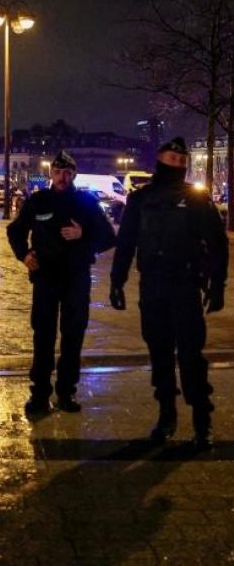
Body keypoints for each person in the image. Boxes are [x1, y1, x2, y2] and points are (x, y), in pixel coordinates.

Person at [109, 137, 228, 449]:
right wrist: (116, 280)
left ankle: (202, 422)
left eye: (181, 160)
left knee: (191, 358)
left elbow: (217, 244)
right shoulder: (140, 199)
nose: (177, 164)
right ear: (160, 159)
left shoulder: (197, 200)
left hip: (186, 285)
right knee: (159, 355)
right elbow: (126, 243)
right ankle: (166, 416)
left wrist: (218, 286)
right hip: (153, 285)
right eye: (171, 158)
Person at [8, 151, 116, 415]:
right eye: (58, 172)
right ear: (51, 174)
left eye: (67, 173)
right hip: (46, 278)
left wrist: (84, 233)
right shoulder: (38, 200)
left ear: (74, 174)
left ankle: (66, 392)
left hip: (76, 277)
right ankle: (40, 393)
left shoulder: (86, 202)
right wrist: (24, 255)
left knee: (73, 336)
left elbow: (108, 237)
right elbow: (15, 230)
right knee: (43, 336)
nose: (62, 178)